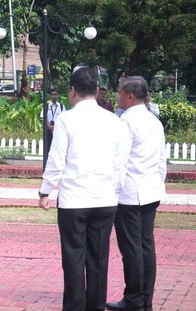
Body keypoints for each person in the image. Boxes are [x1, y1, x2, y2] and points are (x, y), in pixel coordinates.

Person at [38, 66, 127, 311]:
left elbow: (56, 159)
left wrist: (46, 191)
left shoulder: (67, 119)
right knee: (98, 258)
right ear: (97, 91)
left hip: (74, 201)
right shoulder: (114, 120)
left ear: (72, 90)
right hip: (105, 198)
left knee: (74, 257)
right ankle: (96, 306)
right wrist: (116, 191)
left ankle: (75, 307)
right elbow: (121, 162)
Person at [106, 77, 166, 311]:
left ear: (130, 96)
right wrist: (157, 182)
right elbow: (162, 161)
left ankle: (134, 299)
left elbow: (118, 163)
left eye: (119, 92)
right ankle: (145, 299)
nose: (116, 96)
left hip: (130, 192)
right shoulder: (154, 121)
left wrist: (113, 191)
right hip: (150, 190)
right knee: (146, 247)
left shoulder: (126, 122)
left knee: (131, 248)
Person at [40, 88, 66, 158]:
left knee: (57, 147)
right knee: (48, 147)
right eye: (52, 94)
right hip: (48, 131)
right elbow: (43, 117)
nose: (54, 96)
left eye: (55, 94)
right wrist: (49, 127)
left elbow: (63, 118)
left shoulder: (61, 106)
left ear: (58, 96)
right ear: (50, 96)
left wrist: (54, 127)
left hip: (58, 130)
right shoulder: (46, 106)